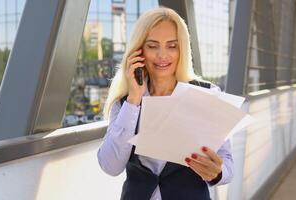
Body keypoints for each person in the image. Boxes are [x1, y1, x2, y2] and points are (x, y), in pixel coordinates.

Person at [97, 7, 233, 200]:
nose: (162, 55)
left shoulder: (207, 95)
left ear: (182, 49)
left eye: (172, 46)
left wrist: (217, 172)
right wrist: (134, 100)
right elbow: (110, 166)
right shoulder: (126, 102)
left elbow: (228, 164)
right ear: (139, 50)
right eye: (152, 46)